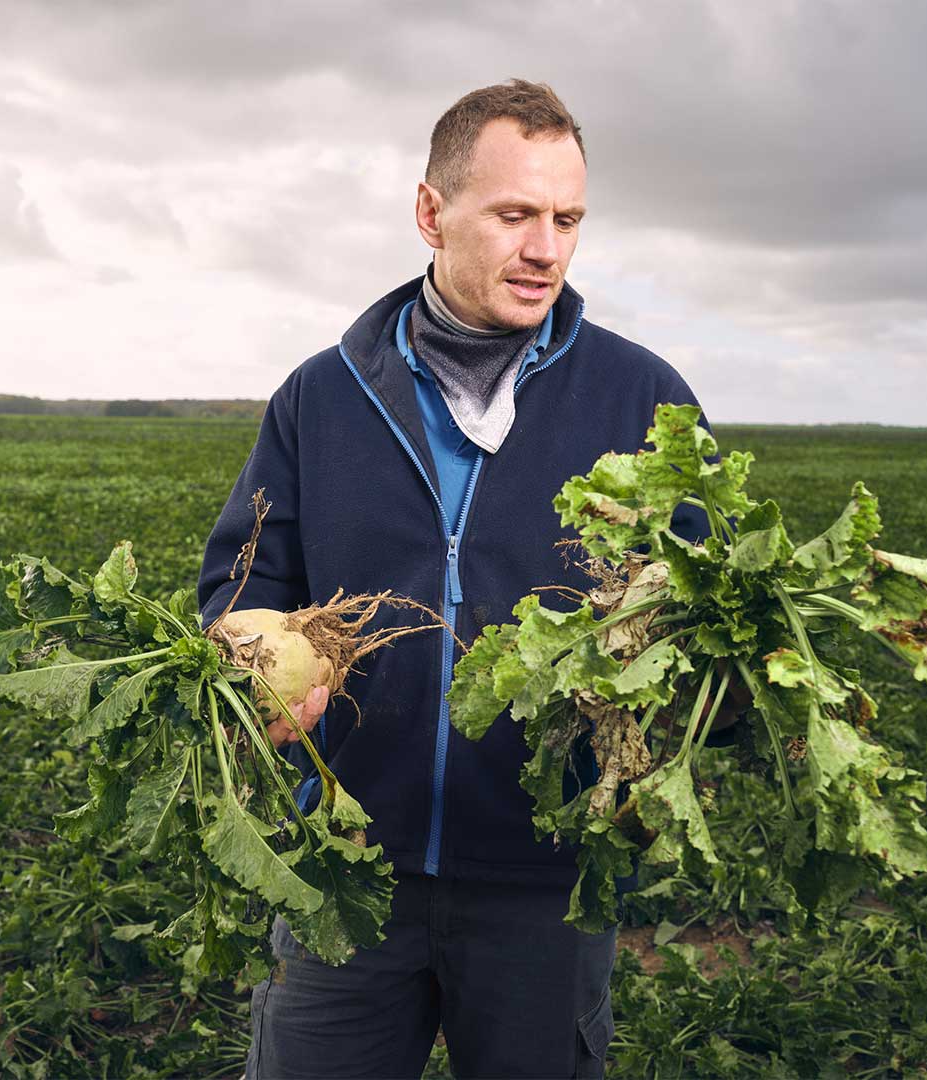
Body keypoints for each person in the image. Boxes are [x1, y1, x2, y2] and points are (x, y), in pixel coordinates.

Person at [196, 79, 720, 1079]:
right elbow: (243, 578)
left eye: (568, 220)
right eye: (515, 214)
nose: (546, 250)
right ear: (432, 212)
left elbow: (710, 614)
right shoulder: (324, 393)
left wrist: (710, 690)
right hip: (344, 868)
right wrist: (244, 663)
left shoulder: (641, 396)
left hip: (548, 880)